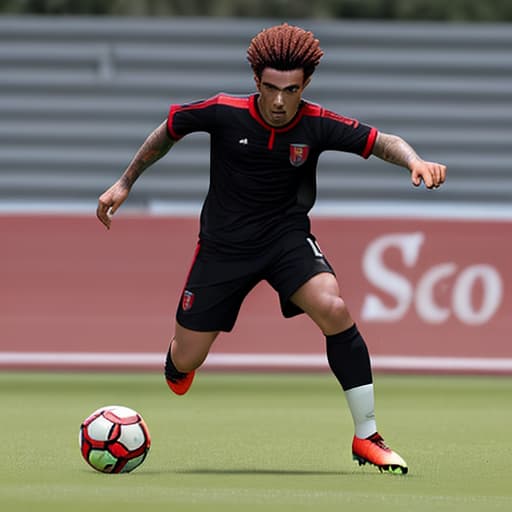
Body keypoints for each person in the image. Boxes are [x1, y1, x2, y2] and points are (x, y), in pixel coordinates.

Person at [97, 23, 446, 475]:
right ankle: (179, 360)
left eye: (292, 89)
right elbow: (169, 129)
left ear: (306, 85)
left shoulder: (318, 123)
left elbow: (384, 142)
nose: (280, 101)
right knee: (185, 362)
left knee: (333, 307)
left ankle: (367, 435)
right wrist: (124, 182)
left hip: (285, 240)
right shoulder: (223, 111)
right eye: (270, 88)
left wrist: (415, 160)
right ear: (255, 81)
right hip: (223, 248)